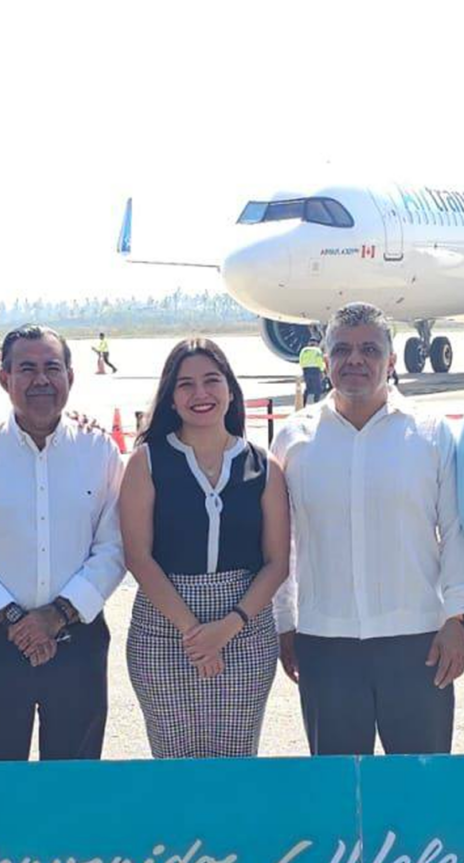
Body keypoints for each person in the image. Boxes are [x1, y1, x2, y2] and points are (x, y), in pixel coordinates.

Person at [274, 301, 464, 755]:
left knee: (418, 791)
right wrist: (285, 623)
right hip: (325, 642)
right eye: (341, 350)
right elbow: (284, 544)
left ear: (391, 361)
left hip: (419, 642)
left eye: (369, 350)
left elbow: (456, 532)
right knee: (338, 797)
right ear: (325, 359)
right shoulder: (294, 438)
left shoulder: (432, 434)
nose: (354, 360)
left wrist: (457, 619)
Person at [0, 324, 125, 762]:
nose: (41, 379)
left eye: (52, 368)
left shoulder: (99, 450)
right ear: (4, 378)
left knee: (73, 790)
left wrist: (57, 616)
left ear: (70, 377)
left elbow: (114, 546)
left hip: (77, 640)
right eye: (27, 368)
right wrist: (17, 621)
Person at [120, 338, 289, 758]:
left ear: (230, 390)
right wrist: (196, 635)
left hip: (244, 631)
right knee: (174, 761)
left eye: (212, 381)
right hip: (164, 631)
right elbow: (138, 557)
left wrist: (227, 627)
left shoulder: (264, 465)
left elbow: (277, 562)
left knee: (235, 761)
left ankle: (233, 829)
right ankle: (176, 829)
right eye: (186, 385)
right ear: (171, 398)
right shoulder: (147, 461)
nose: (201, 394)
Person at [298, 337, 325, 405]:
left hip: (306, 370)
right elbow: (320, 361)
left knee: (308, 388)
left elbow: (301, 360)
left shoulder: (304, 350)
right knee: (318, 388)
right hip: (315, 370)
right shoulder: (317, 350)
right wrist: (322, 370)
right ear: (316, 343)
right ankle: (316, 402)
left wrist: (303, 369)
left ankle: (303, 403)